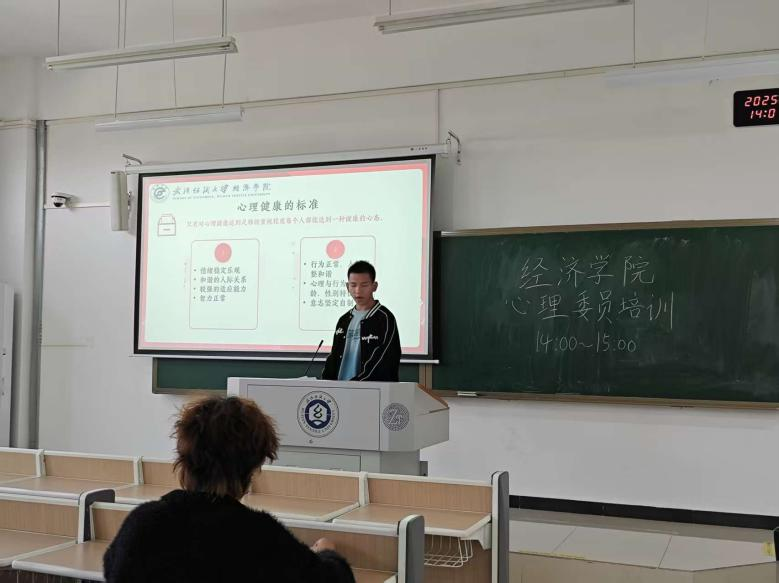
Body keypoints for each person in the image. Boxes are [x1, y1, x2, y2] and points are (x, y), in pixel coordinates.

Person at [103, 396, 355, 583]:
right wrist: (327, 553)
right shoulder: (259, 537)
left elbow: (112, 567)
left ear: (183, 461)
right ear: (252, 468)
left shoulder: (142, 523)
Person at [321, 260, 401, 382]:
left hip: (369, 389)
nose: (358, 291)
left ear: (374, 286)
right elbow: (334, 357)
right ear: (347, 287)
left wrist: (356, 383)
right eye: (353, 285)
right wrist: (325, 383)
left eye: (364, 285)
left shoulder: (384, 318)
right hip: (339, 388)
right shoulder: (344, 320)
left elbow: (384, 359)